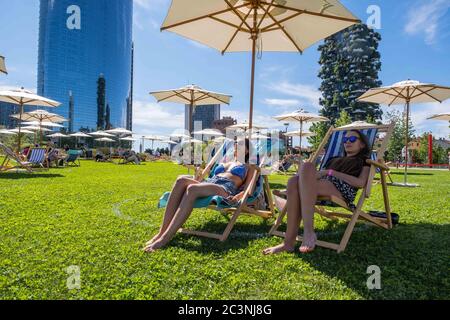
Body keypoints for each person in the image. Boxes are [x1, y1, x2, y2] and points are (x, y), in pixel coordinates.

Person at [263, 130, 371, 254]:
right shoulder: (334, 159)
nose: (347, 142)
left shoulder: (364, 161)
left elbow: (360, 183)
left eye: (352, 139)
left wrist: (330, 172)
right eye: (345, 140)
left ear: (362, 144)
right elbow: (317, 174)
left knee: (305, 169)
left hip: (342, 189)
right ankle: (288, 243)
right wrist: (314, 174)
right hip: (321, 183)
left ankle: (308, 231)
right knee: (294, 180)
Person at [144, 138, 255, 253]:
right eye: (236, 143)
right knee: (180, 180)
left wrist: (237, 197)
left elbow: (249, 190)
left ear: (247, 150)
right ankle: (161, 232)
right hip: (210, 182)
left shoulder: (249, 166)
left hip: (225, 188)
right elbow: (204, 179)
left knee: (192, 188)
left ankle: (164, 239)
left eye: (241, 144)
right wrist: (198, 176)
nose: (236, 144)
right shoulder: (226, 161)